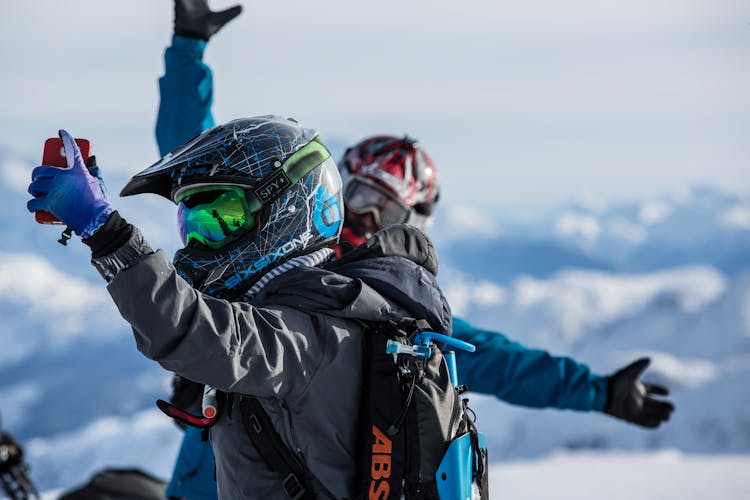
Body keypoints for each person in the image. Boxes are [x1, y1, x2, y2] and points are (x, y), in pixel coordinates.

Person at [154, 2, 675, 499]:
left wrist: (599, 392)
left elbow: (501, 361)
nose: (364, 217)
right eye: (359, 194)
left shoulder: (390, 312)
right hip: (209, 474)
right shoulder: (270, 249)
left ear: (411, 223)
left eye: (386, 208)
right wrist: (188, 50)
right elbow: (201, 166)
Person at [28, 114, 454, 499]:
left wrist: (105, 230)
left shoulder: (311, 332)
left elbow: (186, 328)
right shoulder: (312, 311)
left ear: (287, 211)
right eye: (192, 221)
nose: (199, 241)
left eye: (223, 217)